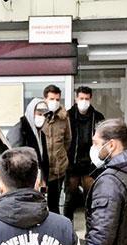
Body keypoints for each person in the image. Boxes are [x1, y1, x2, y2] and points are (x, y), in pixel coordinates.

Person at [65, 86, 105, 221]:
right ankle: (68, 227)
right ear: (76, 98)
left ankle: (91, 229)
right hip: (72, 163)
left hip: (90, 163)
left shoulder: (98, 117)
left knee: (90, 199)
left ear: (91, 99)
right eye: (81, 98)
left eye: (87, 99)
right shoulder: (68, 116)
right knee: (70, 198)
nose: (84, 101)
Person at [42, 85, 72, 213]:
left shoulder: (64, 118)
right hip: (42, 170)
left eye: (57, 99)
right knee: (39, 204)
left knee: (54, 205)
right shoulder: (39, 116)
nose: (54, 102)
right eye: (51, 99)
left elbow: (68, 140)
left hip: (58, 169)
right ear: (45, 99)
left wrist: (59, 155)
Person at [7, 98, 50, 186]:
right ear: (31, 112)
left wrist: (43, 179)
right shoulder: (19, 130)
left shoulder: (41, 133)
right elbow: (15, 161)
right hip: (23, 182)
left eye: (44, 115)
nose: (42, 117)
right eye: (39, 114)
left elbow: (42, 160)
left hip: (37, 182)